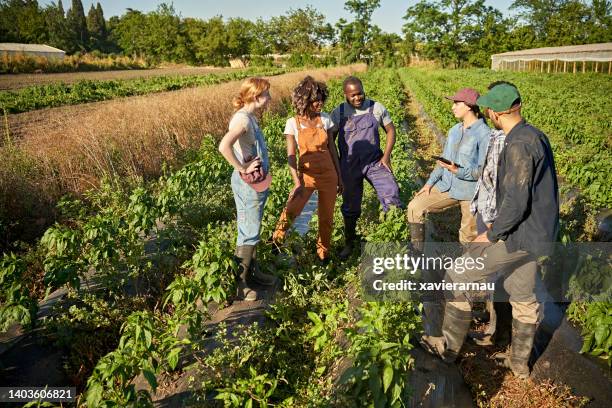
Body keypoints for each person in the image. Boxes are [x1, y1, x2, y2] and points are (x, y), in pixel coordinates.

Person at [421, 83, 559, 379]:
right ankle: (519, 366)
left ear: (495, 113)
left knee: (457, 275)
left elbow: (517, 200)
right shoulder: (533, 135)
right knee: (523, 296)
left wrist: (492, 233)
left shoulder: (519, 144)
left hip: (517, 236)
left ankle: (448, 350)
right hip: (536, 235)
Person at [407, 88, 490, 250]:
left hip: (470, 193)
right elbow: (443, 161)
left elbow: (484, 170)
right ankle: (417, 254)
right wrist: (429, 183)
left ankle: (467, 267)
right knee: (414, 207)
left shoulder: (484, 134)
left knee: (468, 235)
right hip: (447, 186)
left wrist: (457, 171)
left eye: (456, 103)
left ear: (468, 106)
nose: (452, 107)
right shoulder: (454, 130)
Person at [218, 77, 277, 301]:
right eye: (267, 94)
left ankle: (254, 272)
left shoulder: (249, 117)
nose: (270, 98)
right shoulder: (242, 120)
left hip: (253, 183)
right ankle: (241, 285)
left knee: (252, 226)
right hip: (247, 184)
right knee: (248, 229)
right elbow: (223, 146)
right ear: (256, 96)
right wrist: (242, 167)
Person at [330, 76, 403, 259]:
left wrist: (386, 156)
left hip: (374, 162)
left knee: (391, 192)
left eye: (360, 93)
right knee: (350, 206)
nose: (358, 98)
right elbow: (329, 139)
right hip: (349, 164)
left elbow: (391, 130)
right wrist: (336, 164)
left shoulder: (376, 108)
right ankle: (349, 243)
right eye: (353, 95)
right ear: (345, 94)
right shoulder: (338, 112)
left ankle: (392, 241)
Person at [273, 76, 342, 262]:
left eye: (321, 99)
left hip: (329, 174)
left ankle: (323, 254)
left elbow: (332, 149)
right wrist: (297, 181)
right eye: (315, 99)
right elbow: (291, 155)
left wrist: (339, 177)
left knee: (326, 218)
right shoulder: (292, 123)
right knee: (291, 211)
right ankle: (274, 245)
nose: (320, 103)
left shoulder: (325, 119)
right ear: (305, 100)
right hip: (306, 176)